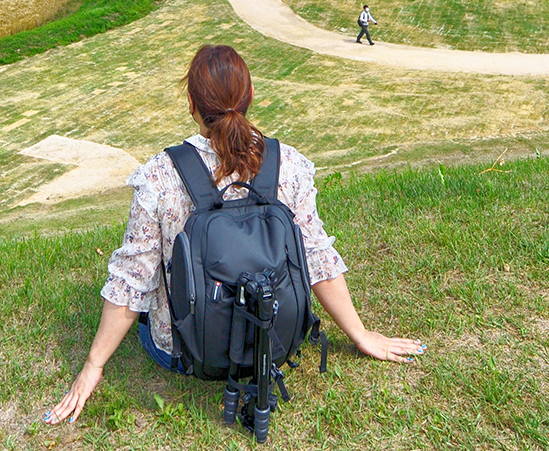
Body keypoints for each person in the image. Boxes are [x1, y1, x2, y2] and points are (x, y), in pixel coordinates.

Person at [41, 45, 421, 424]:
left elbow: (132, 282)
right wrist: (360, 334)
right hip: (273, 343)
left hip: (183, 352)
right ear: (250, 97)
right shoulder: (286, 164)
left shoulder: (159, 175)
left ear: (191, 102)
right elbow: (316, 258)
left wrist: (92, 365)